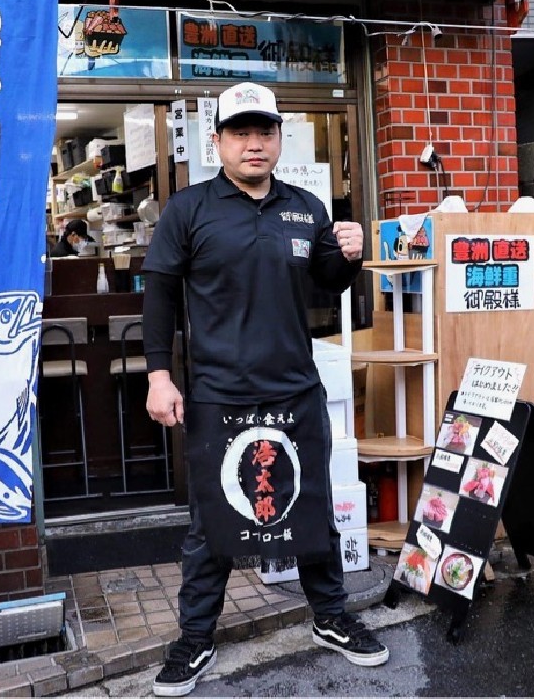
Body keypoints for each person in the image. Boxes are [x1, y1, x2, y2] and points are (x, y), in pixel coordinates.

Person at [142, 82, 388, 697]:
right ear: (218, 141)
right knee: (211, 524)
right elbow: (160, 294)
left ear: (279, 138)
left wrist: (349, 255)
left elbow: (326, 282)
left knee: (312, 511)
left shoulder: (305, 206)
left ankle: (330, 617)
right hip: (218, 393)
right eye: (241, 133)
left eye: (265, 132)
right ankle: (195, 638)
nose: (254, 143)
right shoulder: (190, 209)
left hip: (294, 388)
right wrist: (159, 375)